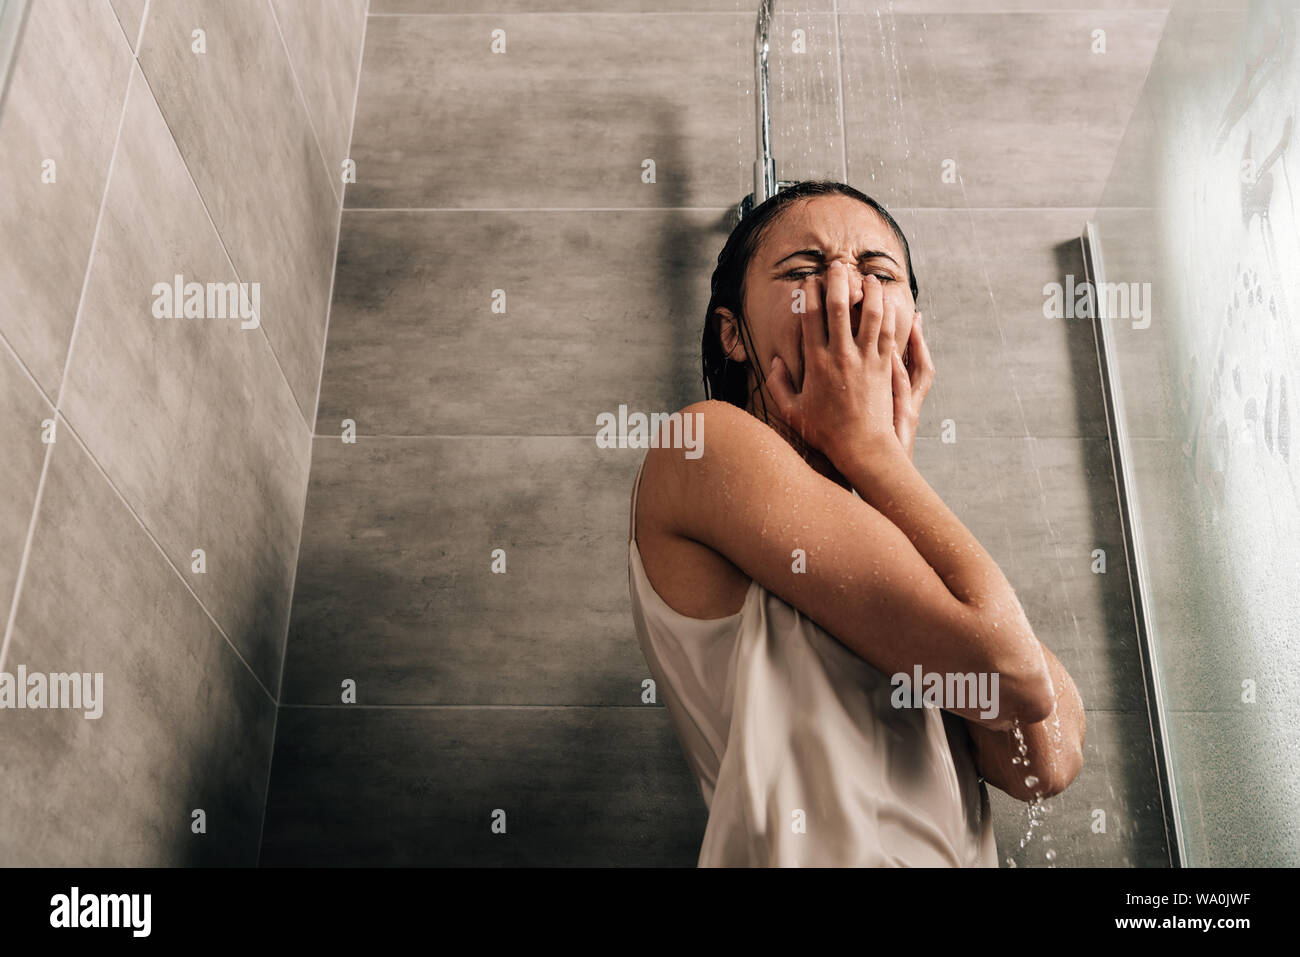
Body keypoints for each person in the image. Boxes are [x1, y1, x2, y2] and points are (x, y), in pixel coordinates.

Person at [627, 180, 1085, 866]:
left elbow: (1040, 763)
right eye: (803, 271)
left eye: (877, 271)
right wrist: (873, 452)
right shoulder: (703, 441)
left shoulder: (890, 519)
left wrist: (881, 469)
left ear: (911, 327)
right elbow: (1012, 675)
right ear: (733, 334)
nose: (845, 288)